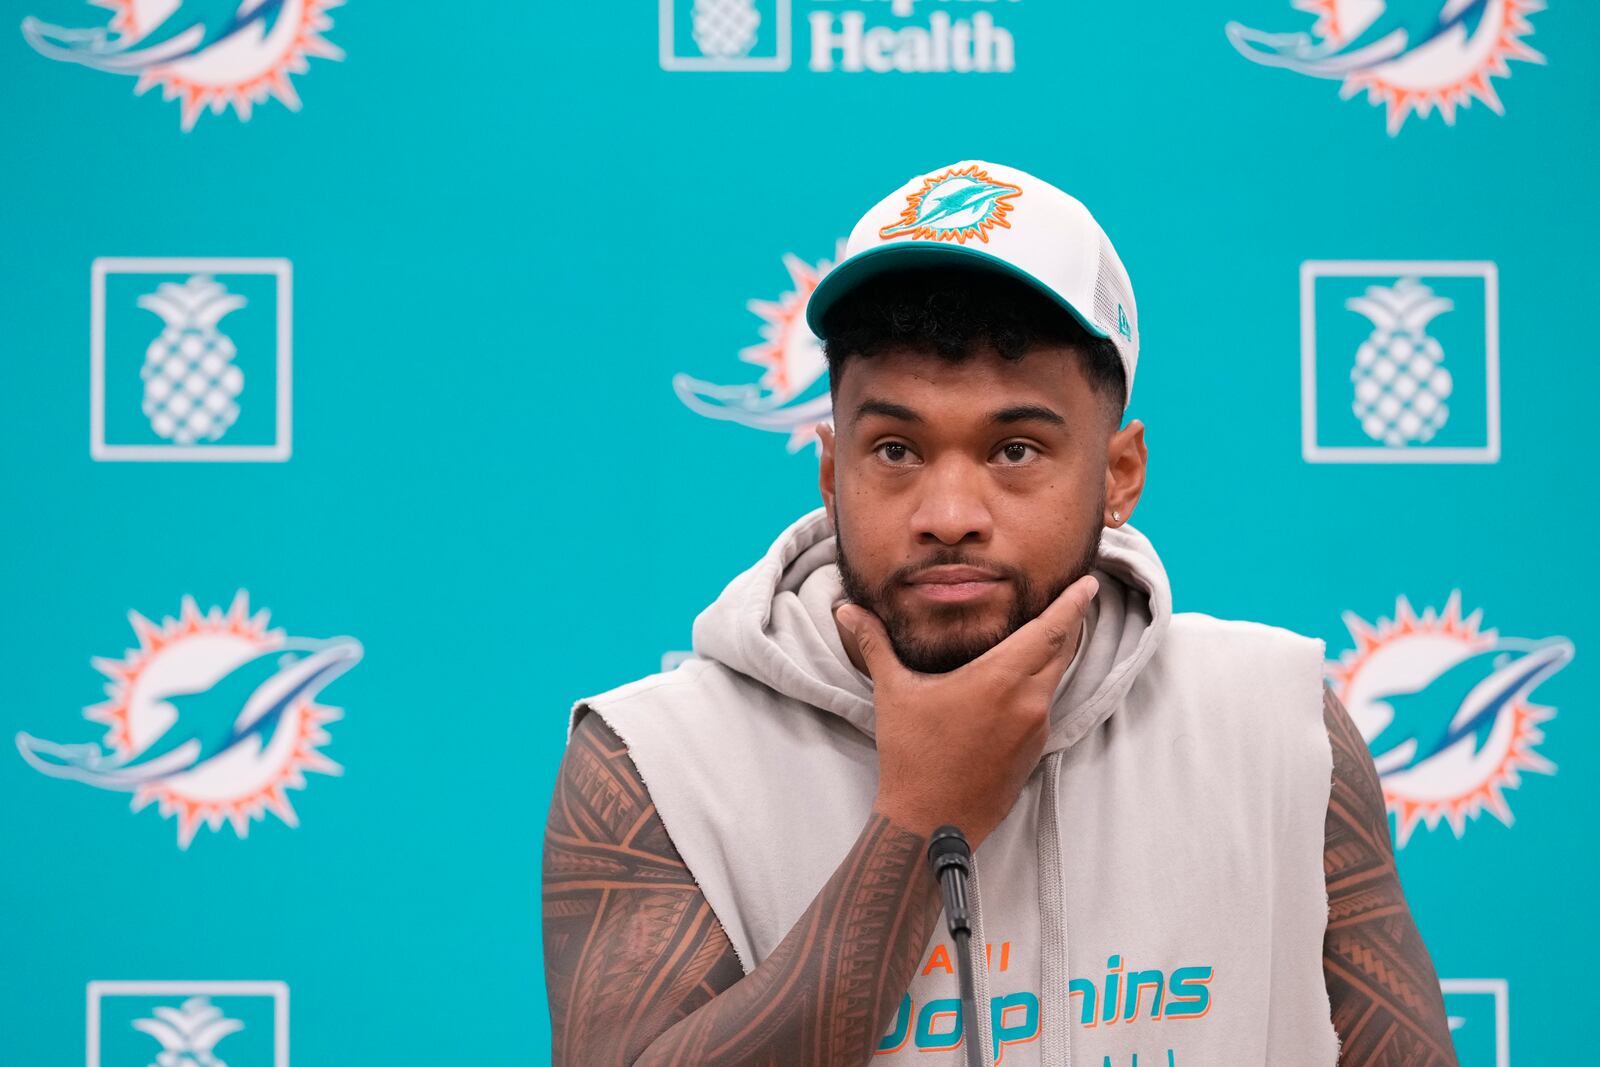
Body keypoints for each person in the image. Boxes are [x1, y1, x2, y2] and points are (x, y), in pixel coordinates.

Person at [541, 160, 1456, 1066]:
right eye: (895, 449)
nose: (948, 514)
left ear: (1119, 475)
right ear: (831, 474)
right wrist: (920, 819)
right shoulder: (657, 759)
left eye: (1015, 449)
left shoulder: (1275, 722)